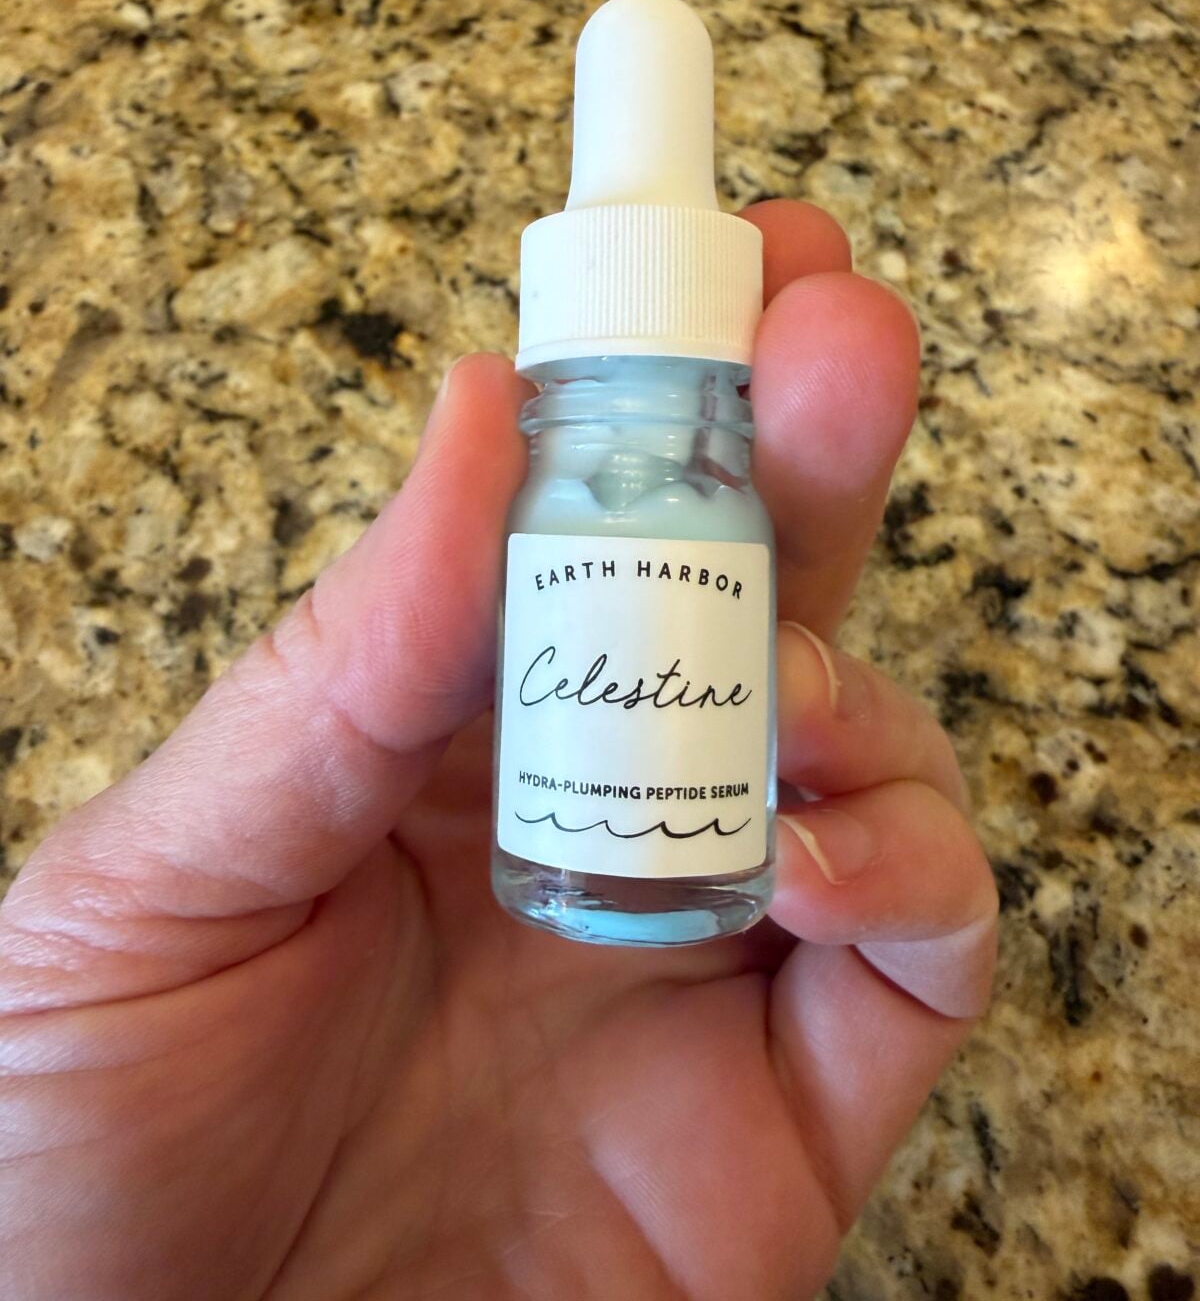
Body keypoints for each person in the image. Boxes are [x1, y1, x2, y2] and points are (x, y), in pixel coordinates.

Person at [0, 200, 998, 1300]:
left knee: (806, 699)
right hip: (499, 933)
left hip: (675, 953)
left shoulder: (724, 511)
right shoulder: (549, 504)